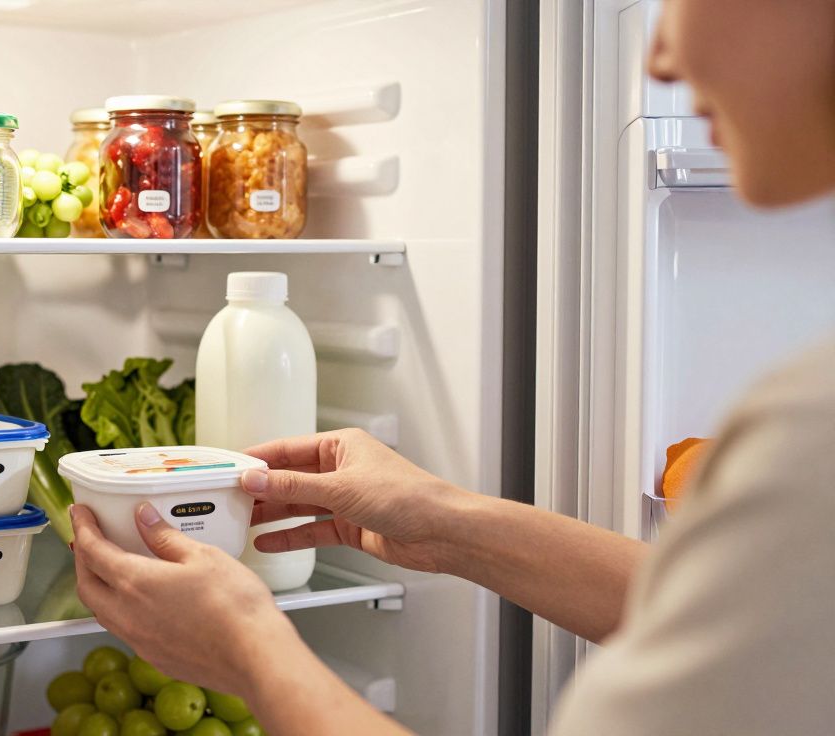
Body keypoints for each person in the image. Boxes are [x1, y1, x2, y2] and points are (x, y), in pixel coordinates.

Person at [69, 0, 835, 733]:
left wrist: (249, 651)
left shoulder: (809, 426)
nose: (659, 56)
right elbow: (731, 611)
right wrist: (445, 522)